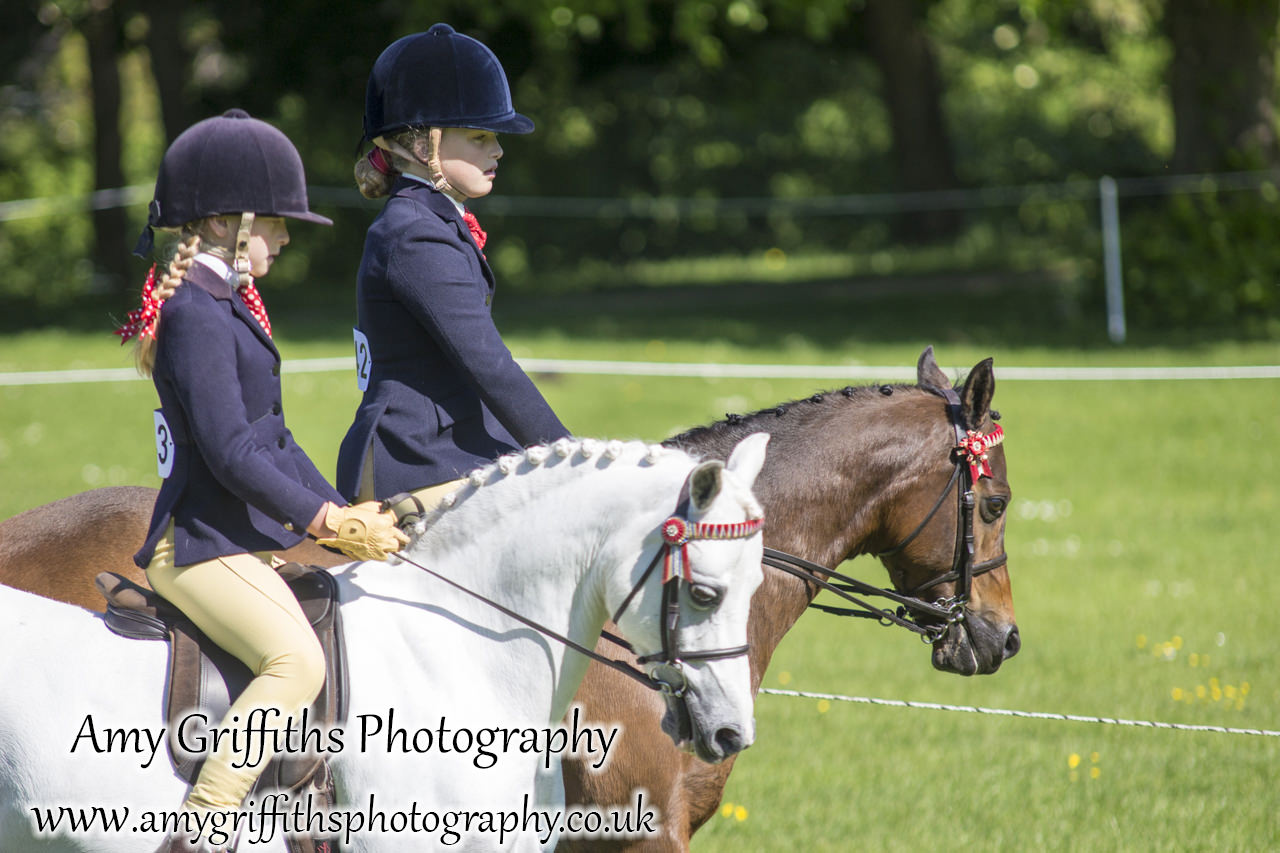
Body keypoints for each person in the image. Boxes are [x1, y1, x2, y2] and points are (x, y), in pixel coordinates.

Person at [116, 109, 407, 851]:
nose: (283, 238)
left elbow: (273, 436)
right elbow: (230, 453)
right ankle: (202, 828)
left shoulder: (227, 307)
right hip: (199, 546)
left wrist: (348, 511)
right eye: (275, 224)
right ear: (223, 221)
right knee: (295, 660)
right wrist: (325, 522)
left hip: (238, 538)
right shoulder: (195, 315)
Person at [336, 23, 571, 509]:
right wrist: (570, 455)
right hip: (417, 458)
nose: (498, 150)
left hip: (454, 445)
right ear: (425, 148)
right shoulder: (414, 234)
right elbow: (489, 364)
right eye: (481, 136)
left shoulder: (434, 221)